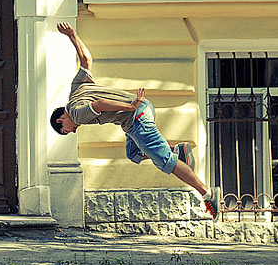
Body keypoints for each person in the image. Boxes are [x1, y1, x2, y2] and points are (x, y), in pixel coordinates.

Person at [49, 22, 219, 220]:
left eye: (66, 130)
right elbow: (86, 60)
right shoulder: (75, 89)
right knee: (133, 153)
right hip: (140, 113)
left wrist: (131, 107)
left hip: (136, 116)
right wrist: (72, 35)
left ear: (61, 119)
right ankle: (176, 149)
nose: (73, 131)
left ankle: (206, 193)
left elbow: (100, 104)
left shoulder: (77, 114)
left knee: (166, 162)